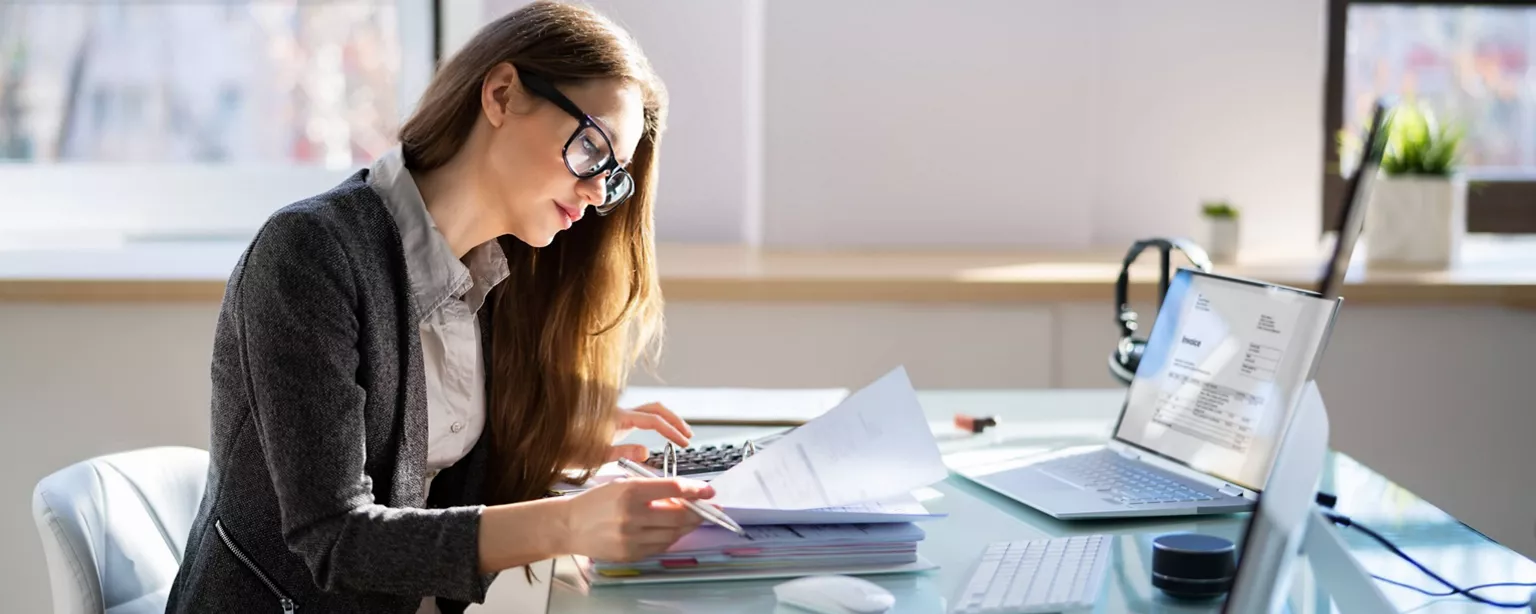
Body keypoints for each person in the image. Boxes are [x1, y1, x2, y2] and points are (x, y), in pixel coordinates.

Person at [165, 3, 713, 613]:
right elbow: (336, 541)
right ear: (502, 95)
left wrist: (549, 438)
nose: (593, 189)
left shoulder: (496, 277)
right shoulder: (310, 253)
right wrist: (570, 522)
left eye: (612, 176)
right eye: (593, 148)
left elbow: (420, 474)